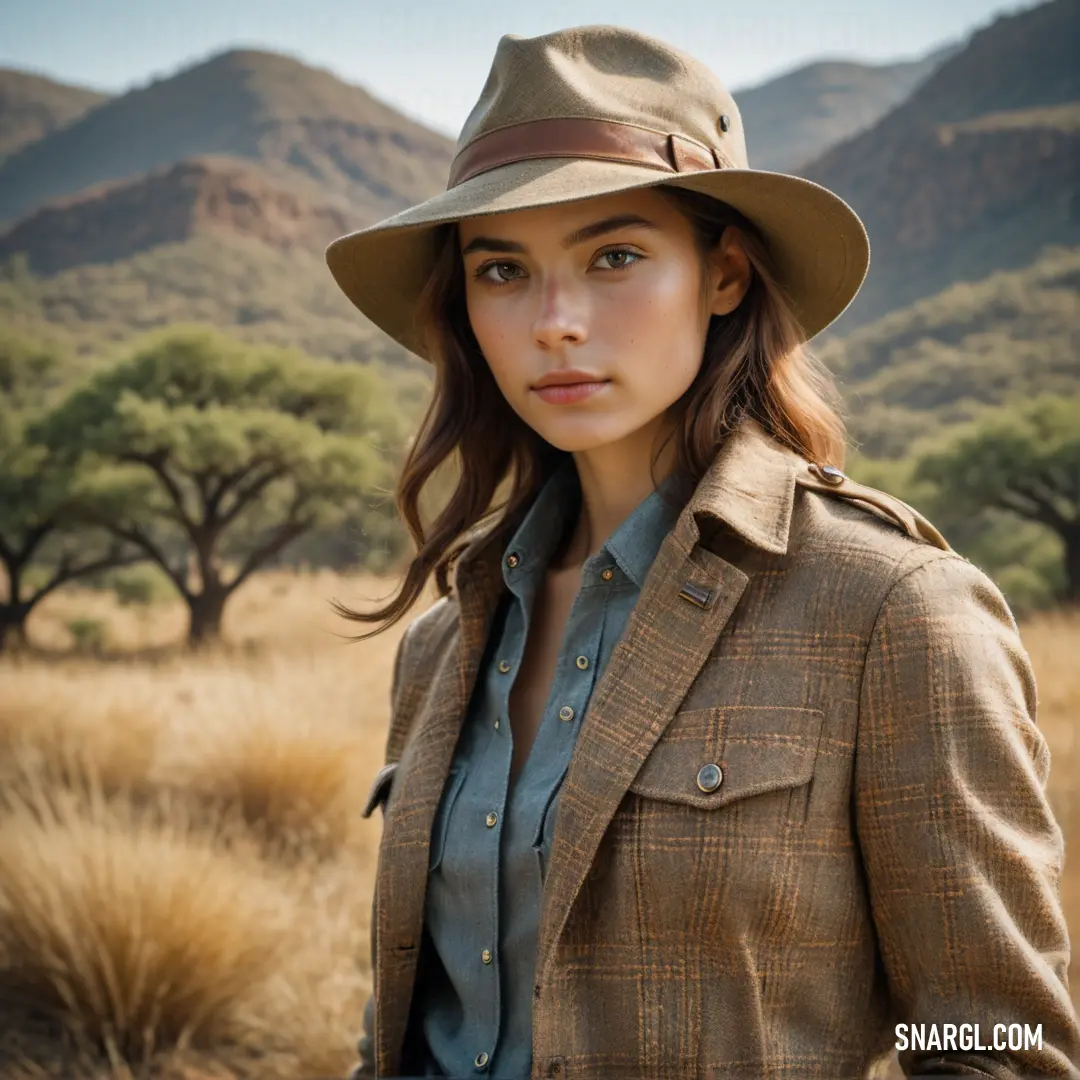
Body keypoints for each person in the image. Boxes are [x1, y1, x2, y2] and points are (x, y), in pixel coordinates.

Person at [324, 24, 1080, 1080]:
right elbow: (406, 1026)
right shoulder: (445, 643)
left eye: (615, 257)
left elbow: (991, 1042)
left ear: (724, 274)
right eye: (503, 270)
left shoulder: (892, 612)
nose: (555, 322)